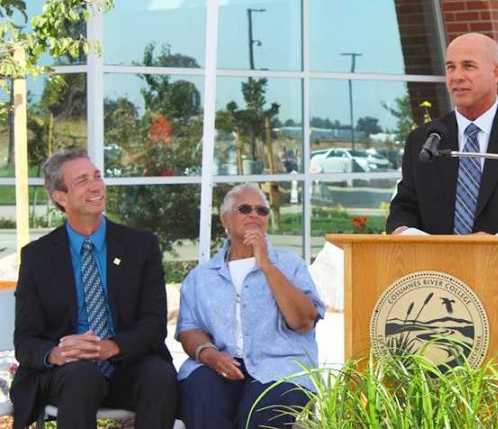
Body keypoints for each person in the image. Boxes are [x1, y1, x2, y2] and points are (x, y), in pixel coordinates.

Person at [386, 32, 498, 428]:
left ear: (496, 72)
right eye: (451, 67)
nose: (457, 76)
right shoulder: (427, 138)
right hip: (440, 297)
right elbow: (405, 204)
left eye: (468, 66)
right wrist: (406, 233)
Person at [11, 149, 177, 429]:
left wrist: (111, 347)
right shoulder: (37, 257)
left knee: (159, 376)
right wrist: (56, 353)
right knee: (81, 375)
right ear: (60, 197)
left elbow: (154, 324)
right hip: (69, 373)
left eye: (97, 176)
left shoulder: (140, 245)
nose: (96, 186)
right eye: (82, 180)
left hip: (127, 361)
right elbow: (26, 340)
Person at [176, 183, 325, 429]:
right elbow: (189, 328)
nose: (254, 215)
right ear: (225, 220)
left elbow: (303, 321)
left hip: (280, 368)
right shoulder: (201, 277)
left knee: (260, 416)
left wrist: (267, 266)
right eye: (244, 209)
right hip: (220, 364)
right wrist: (210, 355)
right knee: (201, 394)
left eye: (262, 210)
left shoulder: (290, 265)